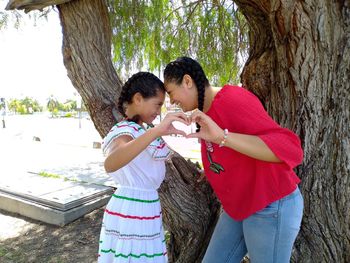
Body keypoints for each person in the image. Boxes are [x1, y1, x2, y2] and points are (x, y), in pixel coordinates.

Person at [163, 57, 304, 263]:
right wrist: (211, 169)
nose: (171, 101)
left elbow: (289, 149)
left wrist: (223, 137)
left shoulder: (232, 100)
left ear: (187, 81)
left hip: (270, 204)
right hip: (239, 206)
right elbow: (231, 151)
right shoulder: (205, 112)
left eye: (170, 93)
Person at [98, 72, 189, 263]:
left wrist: (159, 132)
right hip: (132, 210)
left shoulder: (141, 130)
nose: (159, 111)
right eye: (157, 104)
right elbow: (111, 162)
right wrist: (158, 130)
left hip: (143, 208)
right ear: (138, 99)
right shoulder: (125, 130)